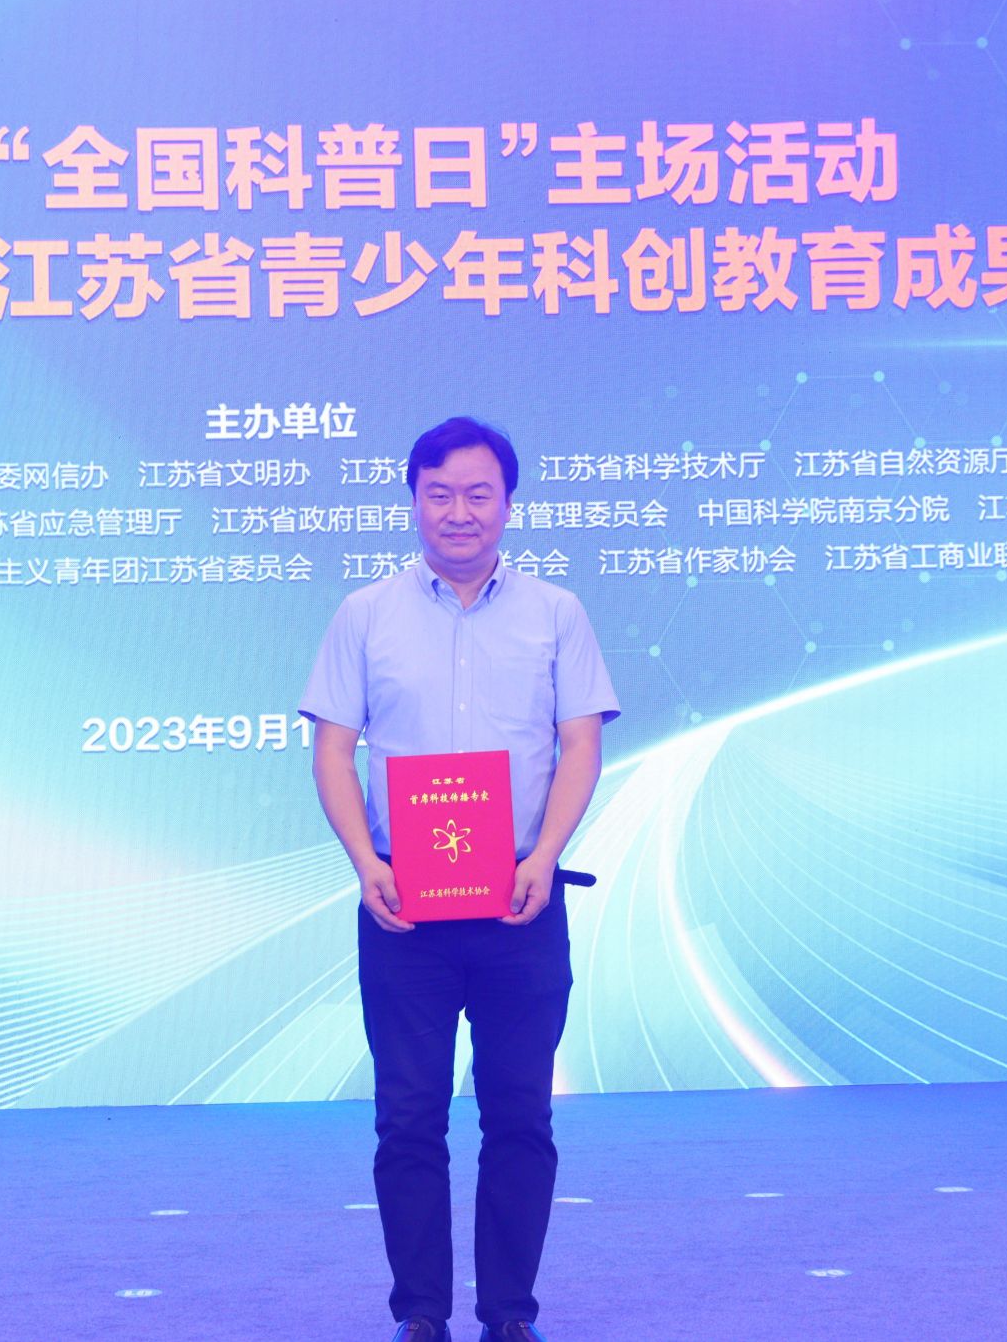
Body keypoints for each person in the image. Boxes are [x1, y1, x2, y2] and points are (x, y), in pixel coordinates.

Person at [300, 416, 620, 1342]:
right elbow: (333, 749)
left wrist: (545, 854)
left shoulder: (557, 612)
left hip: (522, 901)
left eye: (479, 493)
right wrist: (366, 864)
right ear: (413, 501)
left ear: (508, 503)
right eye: (439, 493)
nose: (459, 511)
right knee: (408, 1119)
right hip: (404, 909)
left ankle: (510, 1313)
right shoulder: (365, 614)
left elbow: (579, 743)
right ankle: (420, 1313)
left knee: (520, 1116)